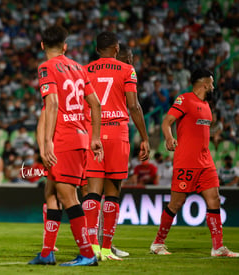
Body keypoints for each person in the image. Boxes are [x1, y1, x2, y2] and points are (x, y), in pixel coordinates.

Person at [28, 25, 103, 266]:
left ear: (42, 46)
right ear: (65, 46)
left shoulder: (45, 67)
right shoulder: (79, 68)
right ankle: (47, 252)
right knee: (50, 192)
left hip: (63, 139)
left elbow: (51, 104)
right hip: (80, 136)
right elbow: (96, 104)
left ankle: (87, 254)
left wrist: (48, 142)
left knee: (67, 196)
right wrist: (95, 137)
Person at [150, 69, 239, 257]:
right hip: (186, 161)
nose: (214, 86)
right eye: (212, 83)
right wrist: (168, 138)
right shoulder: (185, 100)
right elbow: (167, 121)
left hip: (206, 162)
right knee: (176, 203)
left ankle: (218, 247)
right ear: (205, 84)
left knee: (214, 198)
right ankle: (158, 243)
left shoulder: (206, 105)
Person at [82, 32, 150, 261]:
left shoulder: (85, 70)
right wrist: (145, 137)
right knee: (112, 192)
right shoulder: (127, 70)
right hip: (118, 132)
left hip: (93, 133)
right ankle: (107, 249)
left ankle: (91, 247)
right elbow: (134, 105)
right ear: (115, 48)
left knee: (92, 191)